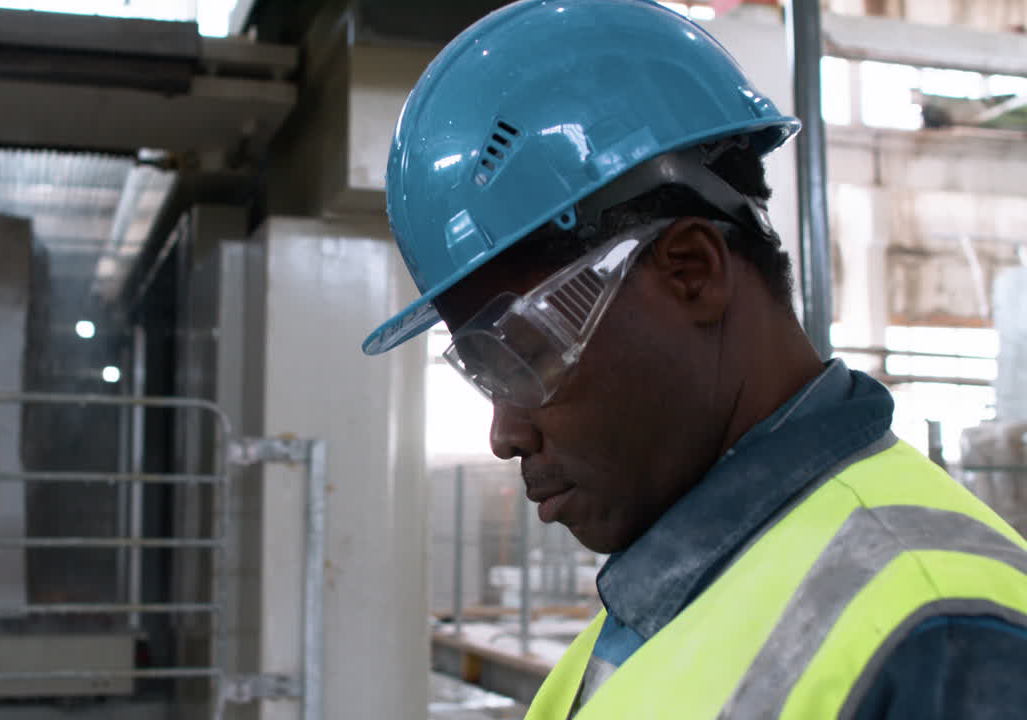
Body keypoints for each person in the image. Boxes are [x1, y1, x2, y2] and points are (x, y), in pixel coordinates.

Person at [360, 1, 1027, 717]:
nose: (505, 433)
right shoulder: (643, 620)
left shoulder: (943, 640)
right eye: (484, 371)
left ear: (690, 271)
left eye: (527, 348)